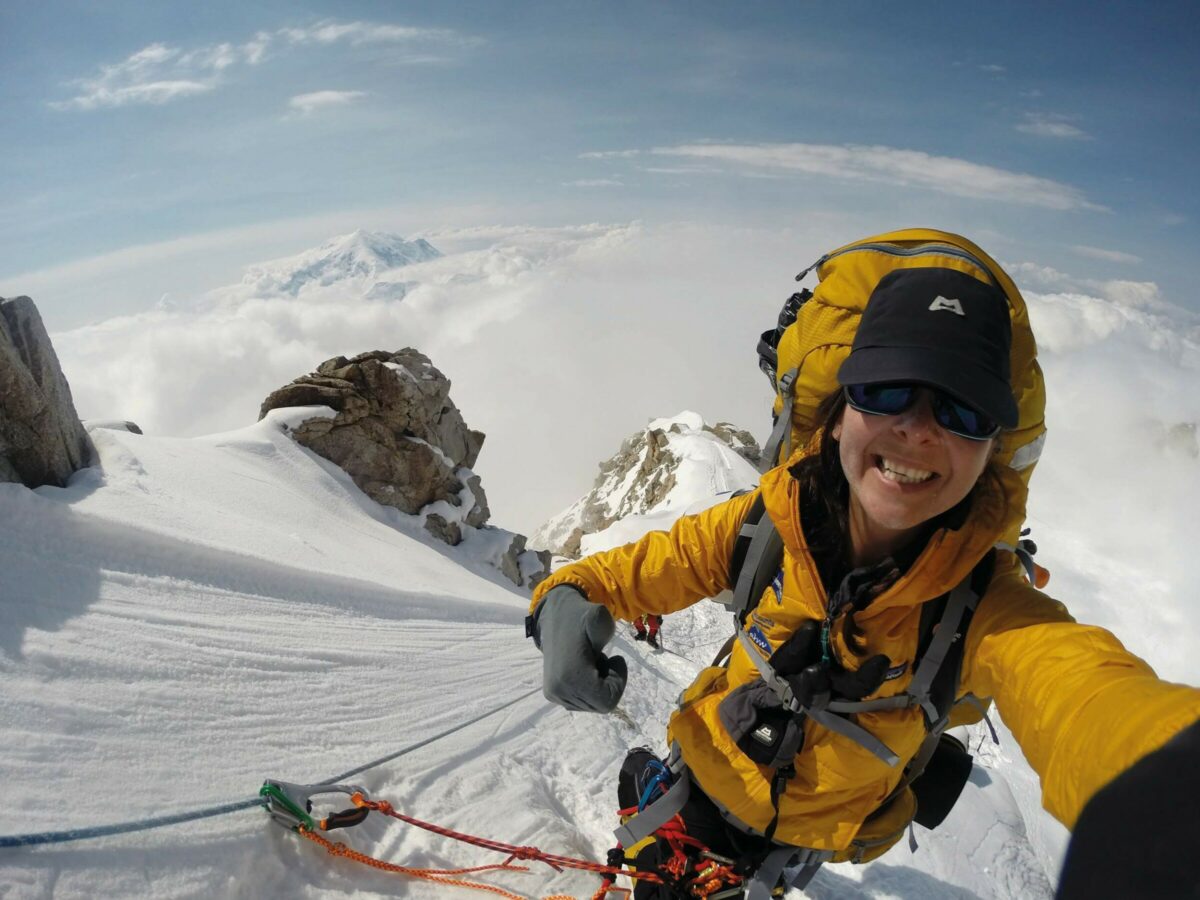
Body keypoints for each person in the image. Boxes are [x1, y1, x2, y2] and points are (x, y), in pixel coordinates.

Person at [526, 265, 1200, 898]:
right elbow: (635, 570)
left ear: (993, 449)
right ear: (841, 408)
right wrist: (564, 598)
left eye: (962, 410)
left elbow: (1084, 692)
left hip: (813, 835)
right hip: (708, 787)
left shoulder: (989, 607)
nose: (917, 429)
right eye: (886, 388)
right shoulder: (766, 524)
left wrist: (1162, 785)